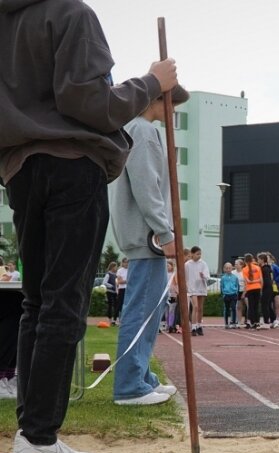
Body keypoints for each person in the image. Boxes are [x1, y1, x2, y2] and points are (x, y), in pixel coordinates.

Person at [0, 0, 178, 453]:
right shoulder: (71, 14)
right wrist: (150, 84)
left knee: (36, 304)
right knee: (62, 304)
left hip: (21, 168)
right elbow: (89, 102)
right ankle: (39, 439)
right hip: (70, 165)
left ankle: (32, 436)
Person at [110, 85, 189, 405]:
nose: (173, 110)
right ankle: (129, 386)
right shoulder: (141, 131)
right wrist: (165, 232)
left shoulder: (137, 130)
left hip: (146, 236)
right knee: (142, 310)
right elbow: (147, 186)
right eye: (171, 103)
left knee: (149, 312)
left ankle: (141, 376)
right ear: (156, 100)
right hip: (147, 237)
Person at [185, 246, 209, 336]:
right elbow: (185, 276)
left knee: (200, 308)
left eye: (200, 254)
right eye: (197, 254)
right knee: (195, 307)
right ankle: (193, 327)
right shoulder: (187, 264)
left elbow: (207, 275)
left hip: (201, 287)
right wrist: (187, 286)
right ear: (192, 254)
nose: (199, 256)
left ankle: (199, 326)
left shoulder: (203, 264)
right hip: (192, 288)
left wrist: (203, 276)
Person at [242, 253, 262, 328]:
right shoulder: (257, 267)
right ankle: (257, 322)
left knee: (251, 306)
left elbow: (247, 281)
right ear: (252, 259)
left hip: (250, 289)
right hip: (257, 288)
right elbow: (260, 279)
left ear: (245, 261)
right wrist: (257, 282)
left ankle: (253, 322)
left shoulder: (244, 269)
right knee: (257, 306)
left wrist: (252, 282)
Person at [220, 262, 239, 328]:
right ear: (224, 269)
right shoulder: (223, 278)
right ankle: (226, 323)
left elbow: (237, 285)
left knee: (233, 308)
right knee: (226, 309)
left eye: (229, 268)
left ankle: (233, 323)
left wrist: (236, 292)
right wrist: (223, 293)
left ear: (232, 268)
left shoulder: (235, 277)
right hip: (226, 295)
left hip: (233, 294)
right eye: (227, 268)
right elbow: (221, 286)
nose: (228, 269)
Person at [102, 262, 119, 326]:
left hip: (115, 292)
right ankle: (110, 320)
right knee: (110, 305)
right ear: (112, 267)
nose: (116, 268)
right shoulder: (108, 274)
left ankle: (115, 320)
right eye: (115, 267)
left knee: (116, 306)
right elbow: (104, 283)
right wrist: (111, 286)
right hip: (109, 291)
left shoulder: (116, 274)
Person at [233, 258, 247, 327]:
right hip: (237, 291)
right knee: (238, 307)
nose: (235, 265)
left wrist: (244, 293)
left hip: (244, 290)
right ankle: (239, 321)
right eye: (235, 264)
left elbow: (246, 283)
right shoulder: (233, 273)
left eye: (237, 264)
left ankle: (248, 321)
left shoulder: (244, 272)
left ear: (241, 265)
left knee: (248, 306)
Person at [115, 257, 128, 322]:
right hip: (122, 289)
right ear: (122, 263)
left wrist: (125, 281)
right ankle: (117, 318)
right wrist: (127, 281)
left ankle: (126, 318)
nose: (126, 264)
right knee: (120, 304)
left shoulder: (131, 270)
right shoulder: (120, 271)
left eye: (127, 262)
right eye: (125, 262)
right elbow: (120, 281)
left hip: (129, 289)